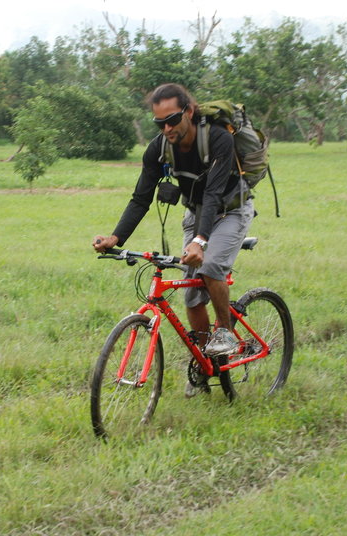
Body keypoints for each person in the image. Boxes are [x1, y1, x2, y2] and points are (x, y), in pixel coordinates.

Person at [92, 83, 255, 397]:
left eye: (173, 120)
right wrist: (116, 237)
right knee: (193, 297)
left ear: (189, 112)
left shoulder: (218, 139)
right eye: (159, 123)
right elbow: (141, 198)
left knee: (209, 268)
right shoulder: (158, 149)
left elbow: (213, 194)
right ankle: (208, 364)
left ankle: (225, 332)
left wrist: (201, 241)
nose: (166, 128)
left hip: (231, 210)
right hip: (196, 213)